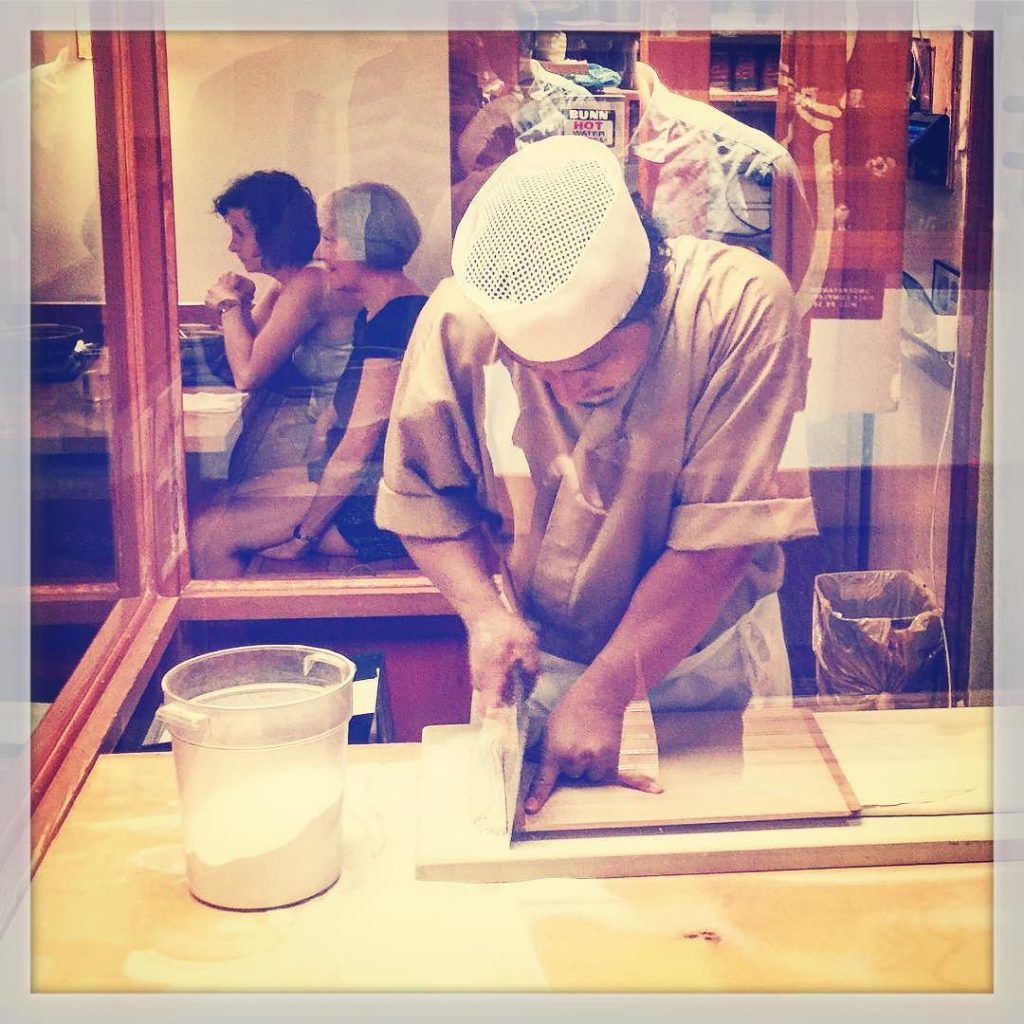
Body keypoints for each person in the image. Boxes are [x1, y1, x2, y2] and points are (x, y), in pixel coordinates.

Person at [376, 136, 818, 813]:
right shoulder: (462, 318)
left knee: (706, 858)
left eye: (592, 365)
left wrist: (608, 691)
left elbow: (718, 544)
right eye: (540, 373)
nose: (566, 390)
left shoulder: (739, 307)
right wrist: (486, 616)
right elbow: (423, 501)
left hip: (704, 658)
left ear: (649, 295)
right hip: (540, 655)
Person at [191, 182, 425, 578]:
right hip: (366, 484)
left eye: (331, 240)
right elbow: (341, 424)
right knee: (218, 503)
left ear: (365, 246)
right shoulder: (381, 309)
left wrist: (304, 536)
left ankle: (242, 639)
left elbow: (356, 451)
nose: (319, 252)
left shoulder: (396, 321)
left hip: (380, 505)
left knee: (209, 534)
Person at [203, 170, 356, 485]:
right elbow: (249, 350)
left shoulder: (311, 284)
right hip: (323, 434)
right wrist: (241, 303)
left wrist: (228, 306)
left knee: (218, 499)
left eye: (239, 233)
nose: (232, 246)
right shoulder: (289, 285)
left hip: (341, 448)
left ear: (272, 236)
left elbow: (247, 375)